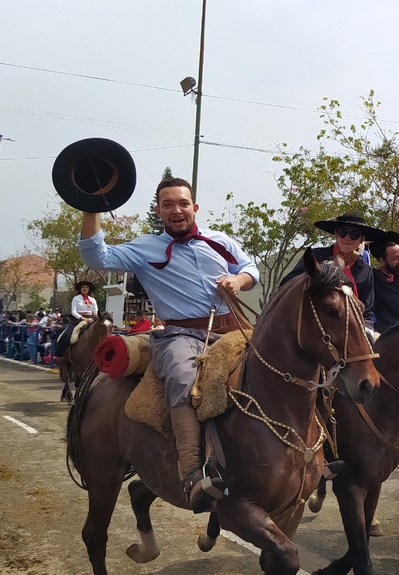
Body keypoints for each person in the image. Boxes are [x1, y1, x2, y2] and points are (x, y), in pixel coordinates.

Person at [78, 176, 259, 512]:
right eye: (168, 204)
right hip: (180, 336)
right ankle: (192, 473)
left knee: (286, 360)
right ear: (160, 211)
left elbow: (250, 268)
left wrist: (238, 279)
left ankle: (318, 455)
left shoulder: (220, 241)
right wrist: (91, 207)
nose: (177, 210)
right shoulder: (144, 248)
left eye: (182, 203)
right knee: (181, 378)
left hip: (236, 327)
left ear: (194, 208)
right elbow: (97, 256)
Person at [281, 213, 385, 331]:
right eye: (342, 232)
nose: (347, 237)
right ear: (336, 235)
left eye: (354, 234)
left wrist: (367, 331)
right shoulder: (316, 257)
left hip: (353, 331)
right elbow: (287, 286)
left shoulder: (366, 270)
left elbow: (367, 311)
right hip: (312, 327)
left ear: (362, 239)